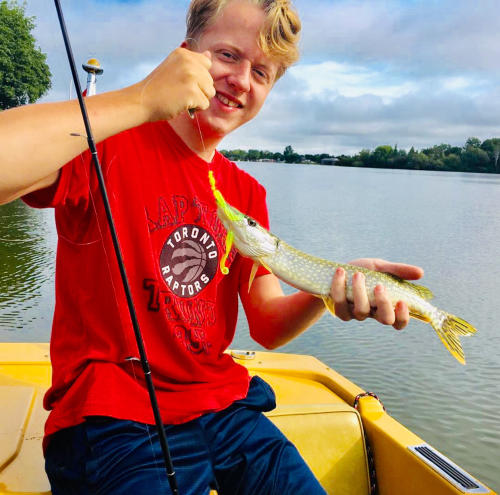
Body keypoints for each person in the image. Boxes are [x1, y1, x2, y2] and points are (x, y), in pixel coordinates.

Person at [0, 0, 423, 493]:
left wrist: (328, 291)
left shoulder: (246, 195)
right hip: (111, 414)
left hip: (225, 407)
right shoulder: (104, 141)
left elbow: (265, 323)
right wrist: (141, 99)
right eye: (227, 55)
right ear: (185, 55)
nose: (242, 80)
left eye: (262, 72)